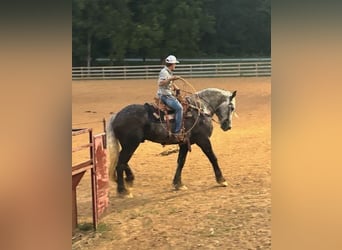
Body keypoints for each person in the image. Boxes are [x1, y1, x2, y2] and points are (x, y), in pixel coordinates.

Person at [156, 55, 184, 140]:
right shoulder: (164, 72)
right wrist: (171, 78)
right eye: (175, 64)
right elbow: (160, 83)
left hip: (167, 93)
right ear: (171, 64)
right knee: (179, 108)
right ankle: (177, 131)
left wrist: (175, 87)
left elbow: (169, 82)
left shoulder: (168, 71)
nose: (175, 65)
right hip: (165, 95)